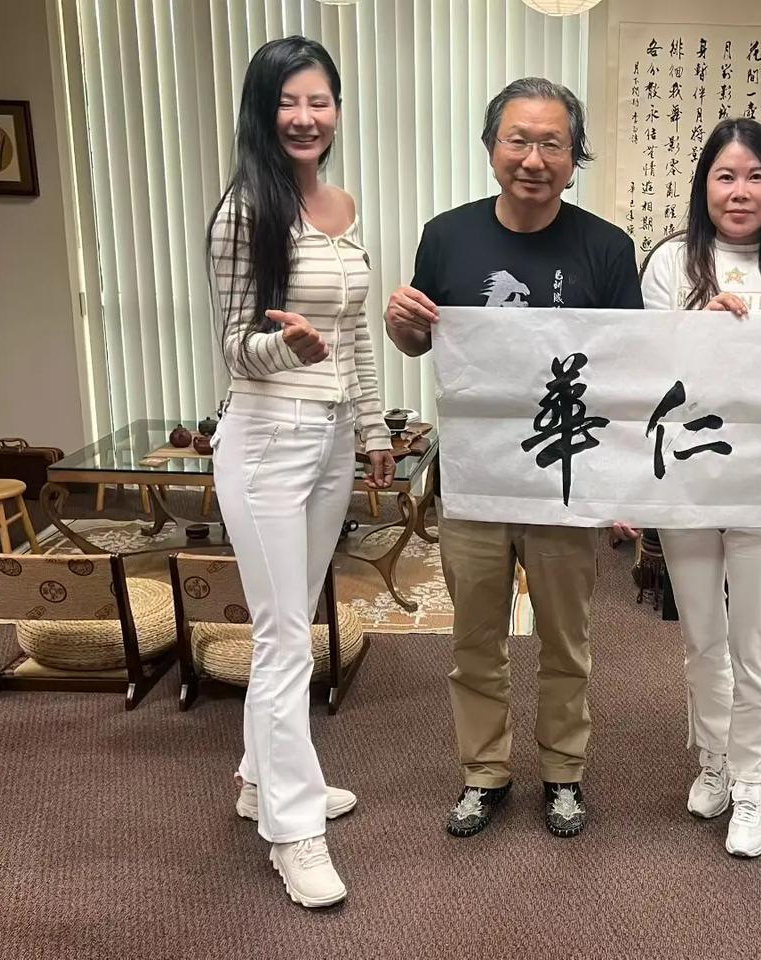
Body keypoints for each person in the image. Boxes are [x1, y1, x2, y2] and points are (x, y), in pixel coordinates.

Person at [384, 77, 643, 839]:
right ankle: (484, 773)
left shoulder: (606, 247)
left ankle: (564, 772)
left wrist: (622, 485)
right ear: (492, 146)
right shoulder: (447, 236)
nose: (534, 159)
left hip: (564, 477)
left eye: (551, 143)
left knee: (567, 639)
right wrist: (401, 322)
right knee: (475, 640)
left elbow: (627, 368)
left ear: (574, 155)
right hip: (475, 476)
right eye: (518, 140)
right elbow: (419, 340)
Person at [205, 35, 395, 907]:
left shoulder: (344, 207)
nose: (305, 117)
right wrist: (289, 348)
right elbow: (235, 347)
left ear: (337, 111)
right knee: (284, 637)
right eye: (288, 101)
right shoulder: (245, 211)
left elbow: (354, 338)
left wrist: (373, 430)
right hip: (266, 441)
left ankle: (259, 781)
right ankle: (292, 830)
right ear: (263, 110)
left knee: (295, 620)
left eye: (319, 101)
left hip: (328, 441)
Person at [639, 118, 761, 858]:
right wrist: (697, 326)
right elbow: (646, 368)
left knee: (755, 635)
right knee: (702, 633)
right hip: (689, 477)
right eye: (725, 176)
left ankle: (756, 782)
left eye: (756, 176)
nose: (740, 191)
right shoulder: (671, 262)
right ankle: (715, 759)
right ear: (704, 186)